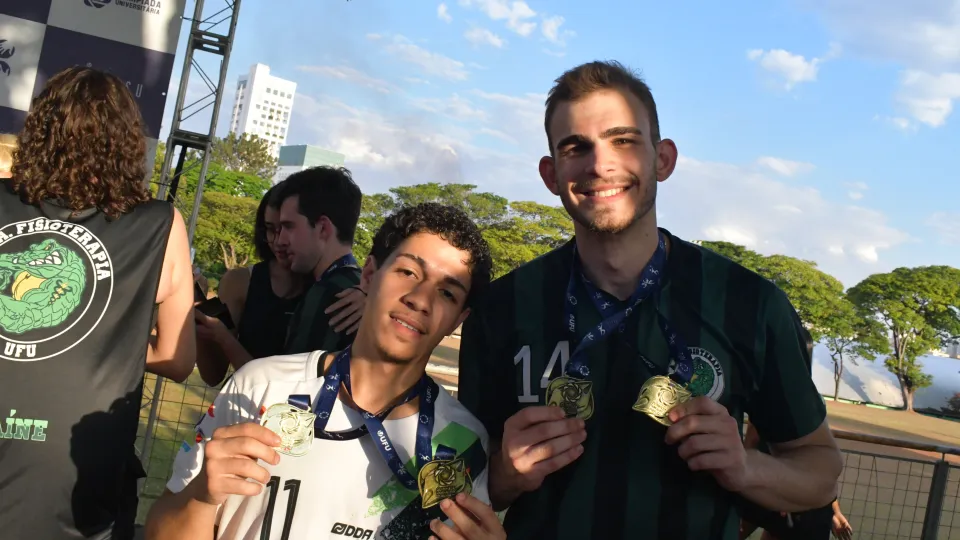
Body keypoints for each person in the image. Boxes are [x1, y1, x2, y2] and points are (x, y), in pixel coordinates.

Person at [458, 60, 843, 540]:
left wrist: (745, 467)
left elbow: (820, 469)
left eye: (623, 140)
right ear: (551, 173)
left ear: (663, 159)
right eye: (576, 147)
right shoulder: (501, 308)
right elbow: (459, 480)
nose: (600, 165)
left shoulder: (751, 304)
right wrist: (501, 477)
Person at [146, 203, 504, 540]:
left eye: (447, 293)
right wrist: (200, 498)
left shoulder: (462, 443)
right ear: (368, 275)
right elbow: (161, 529)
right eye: (408, 272)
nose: (420, 299)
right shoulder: (262, 385)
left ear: (459, 319)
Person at [0, 67, 195, 539]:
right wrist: (111, 343)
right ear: (128, 145)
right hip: (74, 475)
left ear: (39, 131)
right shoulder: (160, 223)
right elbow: (177, 356)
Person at [194, 183, 365, 386]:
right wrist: (201, 314)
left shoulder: (334, 286)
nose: (280, 240)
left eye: (288, 227)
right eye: (271, 229)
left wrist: (370, 294)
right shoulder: (241, 281)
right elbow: (213, 375)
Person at [273, 166, 364, 355]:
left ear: (323, 228)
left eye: (289, 227)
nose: (280, 240)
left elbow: (293, 379)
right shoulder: (361, 288)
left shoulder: (329, 294)